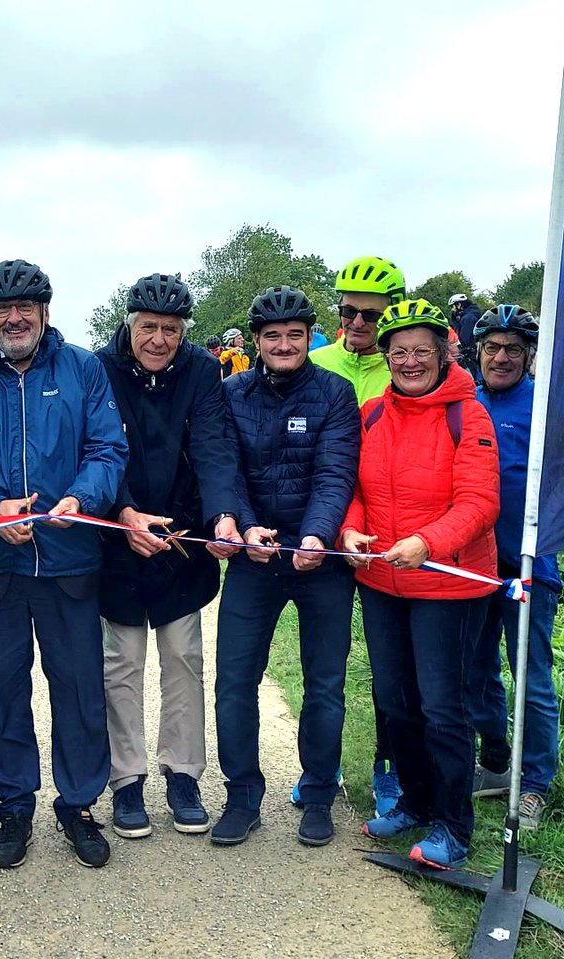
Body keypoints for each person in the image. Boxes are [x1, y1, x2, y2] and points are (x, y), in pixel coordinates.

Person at [0, 259, 128, 870]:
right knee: (1, 691)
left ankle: (80, 803)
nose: (14, 317)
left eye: (26, 307)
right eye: (2, 308)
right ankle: (13, 805)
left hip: (69, 563)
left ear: (45, 311)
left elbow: (107, 446)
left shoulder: (82, 368)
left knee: (79, 689)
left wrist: (82, 498)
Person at [341, 299, 499, 870]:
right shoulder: (371, 415)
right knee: (394, 703)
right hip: (382, 581)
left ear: (444, 353)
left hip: (448, 587)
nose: (410, 362)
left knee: (442, 708)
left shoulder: (469, 415)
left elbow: (480, 504)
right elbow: (355, 489)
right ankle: (414, 799)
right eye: (399, 351)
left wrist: (428, 544)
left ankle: (454, 827)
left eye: (421, 352)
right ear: (386, 357)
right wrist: (353, 530)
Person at [95, 274, 242, 840]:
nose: (159, 340)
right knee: (122, 663)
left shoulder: (203, 371)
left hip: (182, 534)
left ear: (185, 333)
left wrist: (222, 514)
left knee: (184, 657)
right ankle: (126, 779)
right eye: (149, 327)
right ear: (129, 323)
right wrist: (124, 513)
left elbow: (212, 446)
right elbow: (99, 447)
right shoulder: (99, 369)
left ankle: (182, 773)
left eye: (172, 330)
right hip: (117, 531)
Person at [213, 286, 360, 848]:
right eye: (272, 336)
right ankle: (243, 795)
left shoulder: (336, 393)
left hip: (320, 560)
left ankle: (319, 792)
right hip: (255, 557)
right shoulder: (230, 393)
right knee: (234, 682)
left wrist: (319, 534)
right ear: (255, 342)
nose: (283, 344)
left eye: (294, 335)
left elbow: (335, 472)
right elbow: (225, 467)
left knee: (325, 684)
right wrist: (246, 526)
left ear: (309, 337)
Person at [305, 255, 408, 814]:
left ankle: (387, 771)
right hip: (325, 527)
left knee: (388, 666)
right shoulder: (317, 361)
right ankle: (324, 768)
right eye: (348, 312)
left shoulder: (404, 366)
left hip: (384, 533)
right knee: (327, 663)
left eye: (371, 314)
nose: (359, 324)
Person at [468, 305, 560, 831]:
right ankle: (497, 759)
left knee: (531, 677)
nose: (501, 358)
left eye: (513, 350)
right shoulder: (466, 401)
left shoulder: (544, 407)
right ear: (478, 352)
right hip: (474, 563)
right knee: (478, 671)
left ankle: (536, 781)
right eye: (492, 348)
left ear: (529, 357)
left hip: (527, 562)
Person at [448, 293, 483, 380]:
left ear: (459, 305)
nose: (452, 310)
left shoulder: (468, 318)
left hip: (470, 356)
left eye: (453, 306)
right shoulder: (471, 315)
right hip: (475, 354)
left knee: (470, 378)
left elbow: (464, 340)